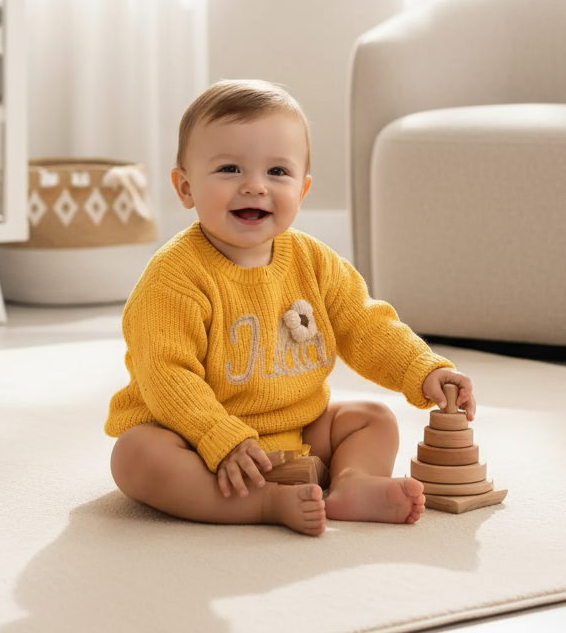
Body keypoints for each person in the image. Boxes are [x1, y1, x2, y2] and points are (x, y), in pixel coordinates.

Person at [106, 79, 476, 536]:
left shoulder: (314, 262)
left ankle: (351, 484)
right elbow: (166, 376)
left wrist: (422, 370)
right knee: (135, 455)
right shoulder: (174, 277)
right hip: (196, 440)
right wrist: (218, 437)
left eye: (277, 173)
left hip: (298, 432)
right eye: (229, 169)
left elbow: (366, 325)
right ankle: (262, 503)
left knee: (373, 420)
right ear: (185, 188)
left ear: (301, 192)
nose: (254, 187)